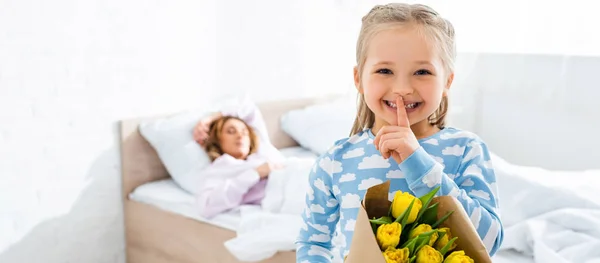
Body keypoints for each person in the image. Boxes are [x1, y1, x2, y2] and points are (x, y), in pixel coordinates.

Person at [295, 3, 503, 262]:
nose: (402, 88)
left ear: (447, 81)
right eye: (385, 71)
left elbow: (489, 241)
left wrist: (419, 162)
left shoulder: (465, 149)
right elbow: (313, 243)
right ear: (358, 78)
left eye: (422, 72)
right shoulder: (335, 161)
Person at [192, 99, 285, 219]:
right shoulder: (220, 169)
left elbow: (248, 108)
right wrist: (255, 173)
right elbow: (206, 207)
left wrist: (210, 119)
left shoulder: (262, 149)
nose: (240, 135)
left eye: (244, 132)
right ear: (217, 139)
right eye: (231, 131)